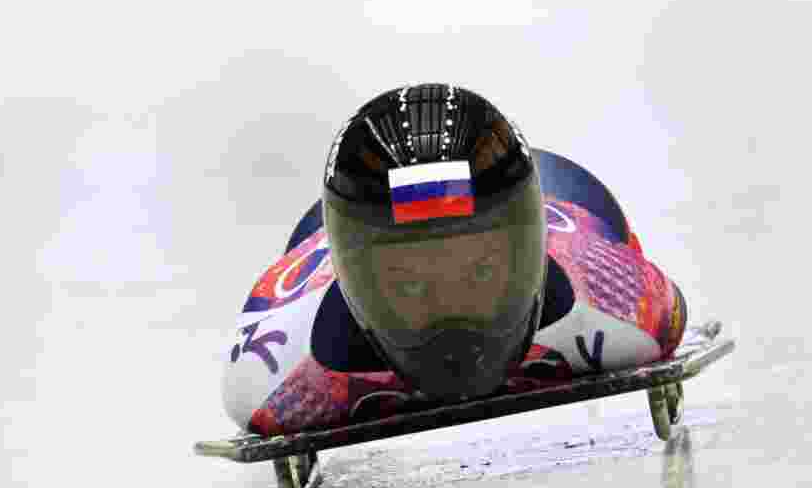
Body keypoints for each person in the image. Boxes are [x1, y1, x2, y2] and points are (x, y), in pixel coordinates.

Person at [222, 84, 687, 436]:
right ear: (351, 274)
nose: (449, 309)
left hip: (566, 199)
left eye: (480, 272)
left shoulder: (619, 302)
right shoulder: (273, 374)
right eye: (410, 284)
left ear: (529, 254)